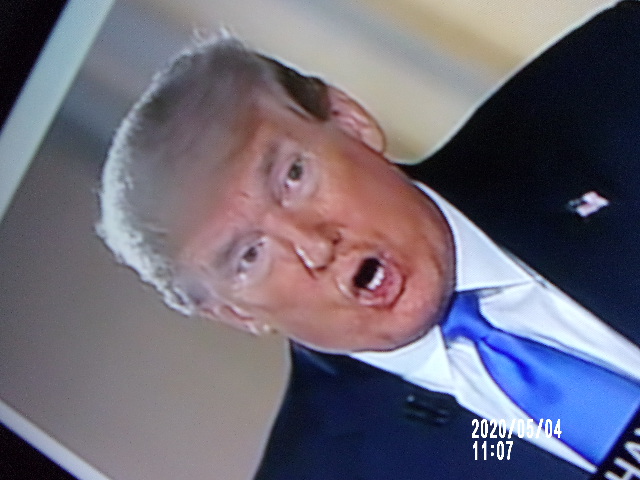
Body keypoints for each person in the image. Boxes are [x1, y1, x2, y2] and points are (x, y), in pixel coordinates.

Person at [97, 2, 640, 479]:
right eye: (249, 256)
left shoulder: (617, 80)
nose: (314, 247)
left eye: (292, 176)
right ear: (234, 314)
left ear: (349, 122)